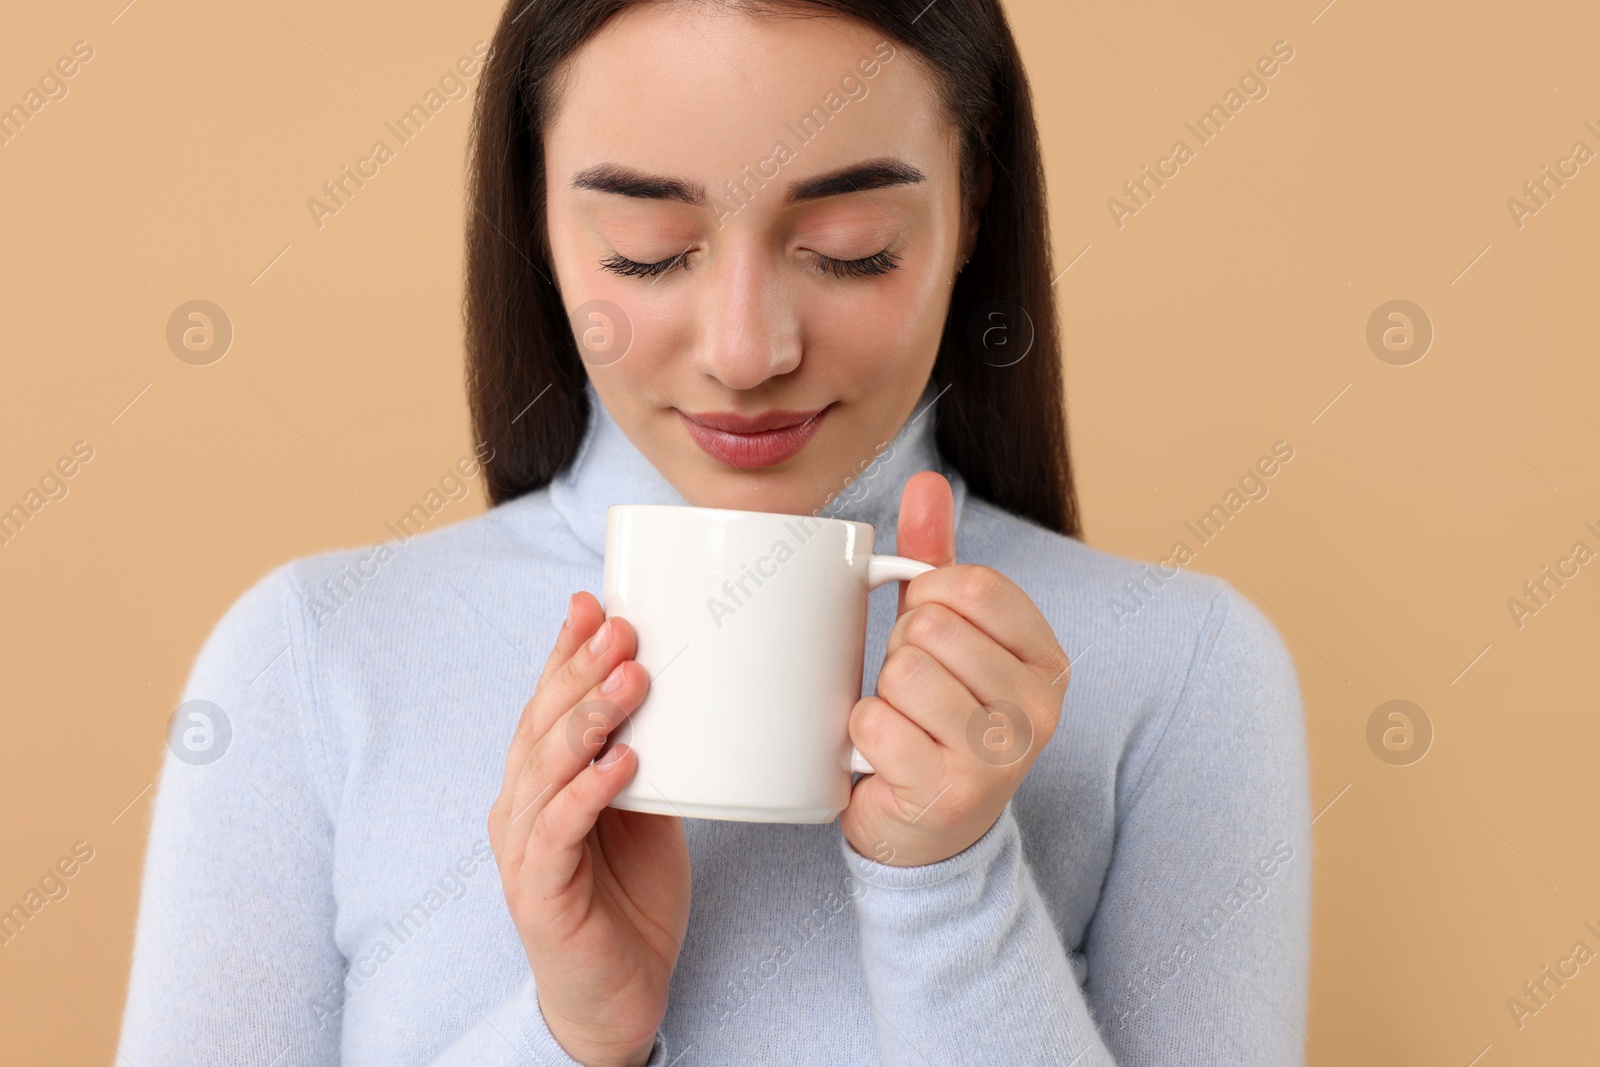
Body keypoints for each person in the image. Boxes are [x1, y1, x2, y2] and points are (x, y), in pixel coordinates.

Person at [117, 1, 1311, 1064]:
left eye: (852, 248)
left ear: (972, 196)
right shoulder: (314, 658)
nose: (746, 352)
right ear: (534, 204)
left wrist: (948, 889)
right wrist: (570, 1032)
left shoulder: (1184, 670)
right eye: (647, 247)